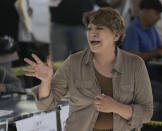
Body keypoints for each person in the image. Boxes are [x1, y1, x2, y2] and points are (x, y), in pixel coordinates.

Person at [23, 7, 153, 131]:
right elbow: (45, 105)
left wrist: (117, 107)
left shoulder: (135, 64)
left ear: (116, 36)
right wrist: (46, 82)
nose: (92, 33)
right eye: (89, 28)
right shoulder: (73, 62)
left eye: (100, 28)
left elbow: (147, 113)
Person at [123, 0, 162, 122]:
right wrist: (157, 53)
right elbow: (131, 56)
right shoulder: (132, 29)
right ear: (145, 12)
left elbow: (158, 48)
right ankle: (151, 123)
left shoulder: (151, 29)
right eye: (157, 13)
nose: (159, 18)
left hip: (151, 76)